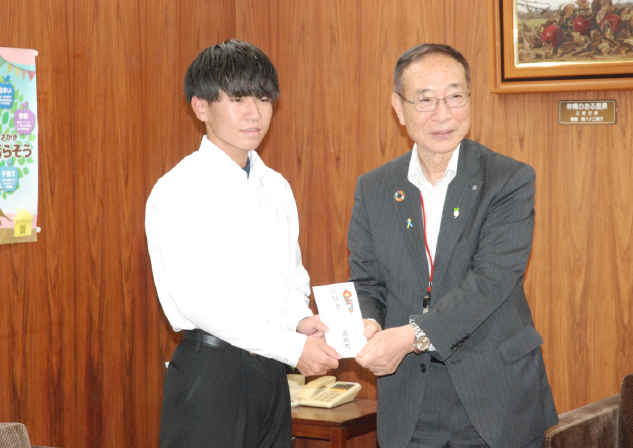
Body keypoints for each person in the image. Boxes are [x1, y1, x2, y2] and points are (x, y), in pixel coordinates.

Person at [347, 43, 558, 448]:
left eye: (455, 96)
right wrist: (369, 323)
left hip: (496, 396)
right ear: (399, 106)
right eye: (425, 100)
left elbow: (491, 281)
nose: (443, 114)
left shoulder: (508, 179)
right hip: (410, 399)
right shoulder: (374, 187)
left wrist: (409, 336)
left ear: (470, 98)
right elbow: (367, 281)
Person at [145, 40, 341, 448]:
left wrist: (301, 321)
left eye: (264, 98)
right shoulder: (180, 189)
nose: (255, 112)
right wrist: (292, 345)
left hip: (270, 372)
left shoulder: (276, 185)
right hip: (211, 376)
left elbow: (290, 280)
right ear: (201, 107)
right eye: (237, 98)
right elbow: (200, 301)